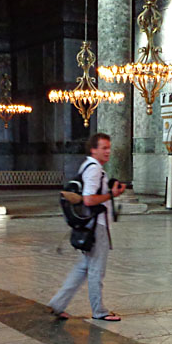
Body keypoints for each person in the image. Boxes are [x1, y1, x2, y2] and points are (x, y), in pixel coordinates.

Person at [47, 133, 126, 321]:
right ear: (93, 149)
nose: (108, 151)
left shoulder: (89, 166)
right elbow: (89, 199)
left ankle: (58, 304)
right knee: (96, 271)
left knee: (82, 268)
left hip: (91, 226)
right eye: (104, 148)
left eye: (109, 147)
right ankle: (99, 311)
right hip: (96, 227)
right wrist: (112, 195)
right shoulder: (94, 170)